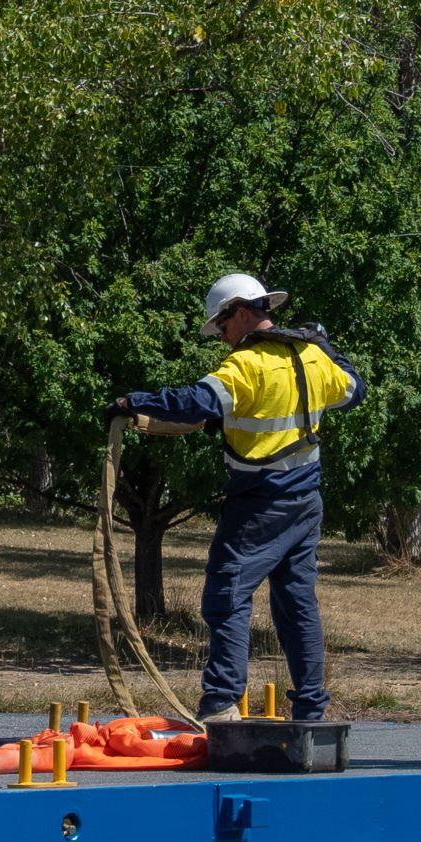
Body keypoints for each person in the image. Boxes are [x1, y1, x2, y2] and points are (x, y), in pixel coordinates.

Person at [115, 273, 358, 720]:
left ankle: (221, 704)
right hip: (305, 502)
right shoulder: (310, 356)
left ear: (243, 313)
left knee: (226, 594)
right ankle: (310, 712)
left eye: (222, 325)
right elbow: (353, 390)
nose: (222, 336)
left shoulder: (245, 366)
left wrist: (134, 403)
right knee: (296, 606)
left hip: (259, 505)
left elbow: (193, 402)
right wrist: (326, 347)